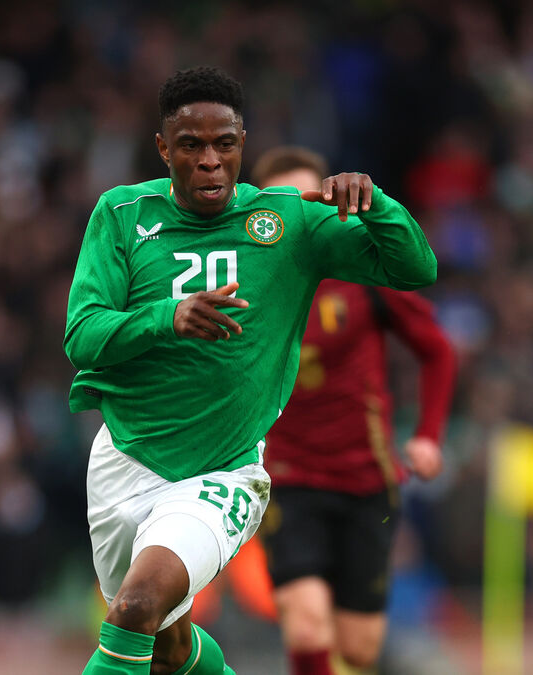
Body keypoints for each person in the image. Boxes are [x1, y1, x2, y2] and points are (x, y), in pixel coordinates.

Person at [64, 67, 436, 675]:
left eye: (224, 144)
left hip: (224, 472)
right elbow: (82, 337)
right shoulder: (122, 214)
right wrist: (167, 317)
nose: (210, 161)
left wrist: (378, 203)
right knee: (166, 649)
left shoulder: (287, 222)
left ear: (243, 145)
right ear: (164, 148)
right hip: (123, 460)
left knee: (134, 609)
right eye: (191, 145)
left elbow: (417, 269)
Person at [192, 145, 458, 675]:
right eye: (284, 201)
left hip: (366, 476)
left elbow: (437, 349)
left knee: (359, 648)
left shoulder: (361, 270)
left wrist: (428, 434)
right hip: (285, 477)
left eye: (308, 198)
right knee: (306, 622)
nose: (298, 213)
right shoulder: (242, 280)